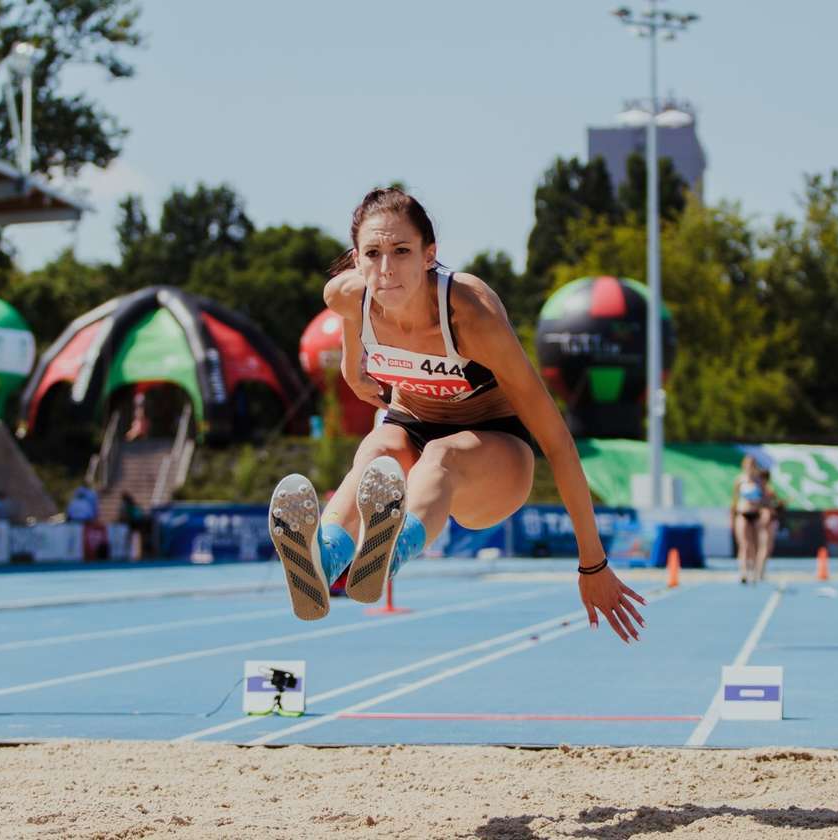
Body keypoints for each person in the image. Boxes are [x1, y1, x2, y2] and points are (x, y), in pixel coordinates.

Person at [267, 188, 645, 641]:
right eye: (374, 254)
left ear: (430, 254)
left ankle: (387, 553)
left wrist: (593, 562)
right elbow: (352, 333)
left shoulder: (470, 313)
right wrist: (353, 369)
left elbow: (557, 441)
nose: (386, 270)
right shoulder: (347, 296)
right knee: (379, 449)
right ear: (357, 260)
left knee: (441, 456)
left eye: (402, 251)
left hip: (493, 451)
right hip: (410, 425)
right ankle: (322, 563)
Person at [731, 455, 766, 584]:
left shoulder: (759, 481)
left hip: (755, 514)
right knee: (744, 544)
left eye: (752, 464)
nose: (750, 467)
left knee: (754, 544)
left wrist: (759, 502)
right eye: (748, 464)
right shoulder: (739, 480)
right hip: (742, 513)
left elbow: (764, 498)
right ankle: (743, 571)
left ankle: (754, 570)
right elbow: (734, 500)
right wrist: (733, 516)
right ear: (744, 465)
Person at [756, 468, 784, 582]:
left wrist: (779, 504)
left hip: (771, 520)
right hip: (764, 520)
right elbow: (761, 506)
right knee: (763, 546)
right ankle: (759, 571)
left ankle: (761, 570)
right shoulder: (759, 491)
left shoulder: (769, 490)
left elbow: (776, 503)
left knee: (768, 547)